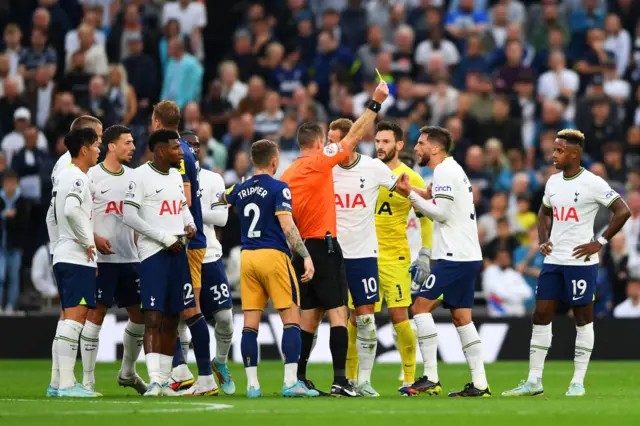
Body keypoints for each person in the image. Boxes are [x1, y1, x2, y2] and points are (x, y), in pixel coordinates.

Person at [279, 80, 389, 397]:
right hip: (325, 246)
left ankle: (299, 377)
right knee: (339, 312)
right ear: (318, 143)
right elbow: (354, 136)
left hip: (300, 250)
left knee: (310, 317)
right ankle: (341, 380)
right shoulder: (320, 160)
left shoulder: (287, 174)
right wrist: (376, 101)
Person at [503, 129, 631, 397]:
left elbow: (623, 211)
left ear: (574, 153)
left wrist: (601, 241)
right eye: (553, 150)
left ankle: (577, 381)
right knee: (540, 315)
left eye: (559, 151)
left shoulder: (593, 183)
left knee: (583, 319)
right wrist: (542, 239)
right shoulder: (553, 182)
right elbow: (543, 213)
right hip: (553, 260)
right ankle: (534, 380)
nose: (553, 155)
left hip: (581, 263)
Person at [395, 126, 489, 397]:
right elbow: (430, 197)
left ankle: (431, 378)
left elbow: (442, 213)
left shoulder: (445, 171)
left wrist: (408, 195)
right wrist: (408, 188)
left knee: (420, 307)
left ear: (435, 148)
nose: (416, 148)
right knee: (461, 317)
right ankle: (480, 384)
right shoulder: (449, 170)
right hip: (466, 255)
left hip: (455, 257)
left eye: (421, 143)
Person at [223, 139, 318, 398]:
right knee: (291, 319)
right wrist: (306, 255)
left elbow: (220, 199)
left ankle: (252, 385)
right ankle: (290, 383)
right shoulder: (279, 188)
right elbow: (288, 226)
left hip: (247, 258)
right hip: (273, 255)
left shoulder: (239, 188)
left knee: (250, 324)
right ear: (274, 161)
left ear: (253, 161)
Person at [122, 129, 197, 396]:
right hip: (154, 252)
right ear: (161, 150)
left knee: (173, 318)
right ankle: (154, 379)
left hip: (178, 251)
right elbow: (129, 215)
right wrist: (164, 237)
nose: (181, 152)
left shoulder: (176, 176)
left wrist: (189, 223)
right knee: (152, 316)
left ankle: (164, 382)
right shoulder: (140, 175)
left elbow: (181, 206)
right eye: (176, 147)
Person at [329, 118, 399, 397]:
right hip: (331, 253)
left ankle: (364, 381)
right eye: (329, 141)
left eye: (335, 141)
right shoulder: (325, 168)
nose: (331, 147)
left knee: (365, 318)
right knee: (318, 316)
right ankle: (298, 378)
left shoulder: (373, 168)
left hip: (363, 254)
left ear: (351, 140)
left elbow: (402, 189)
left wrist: (425, 197)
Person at [150, 101, 213, 395]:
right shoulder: (181, 150)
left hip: (187, 242)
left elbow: (185, 198)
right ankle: (180, 370)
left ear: (157, 121)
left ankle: (203, 376)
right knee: (176, 310)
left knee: (189, 309)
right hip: (187, 241)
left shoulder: (177, 153)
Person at [79, 125, 146, 395]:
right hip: (100, 261)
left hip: (130, 258)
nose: (132, 147)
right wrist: (93, 238)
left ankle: (127, 371)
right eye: (127, 142)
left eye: (132, 142)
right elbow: (78, 215)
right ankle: (87, 381)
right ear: (111, 146)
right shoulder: (91, 176)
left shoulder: (135, 177)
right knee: (95, 315)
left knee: (139, 317)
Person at [371, 121, 434, 389]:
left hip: (396, 257)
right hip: (364, 256)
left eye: (386, 142)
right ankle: (355, 380)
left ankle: (409, 378)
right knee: (358, 318)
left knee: (399, 316)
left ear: (398, 144)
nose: (380, 147)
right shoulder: (366, 171)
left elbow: (427, 219)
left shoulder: (413, 178)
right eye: (377, 142)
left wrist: (425, 253)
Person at [46, 115, 104, 398]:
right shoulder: (78, 176)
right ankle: (67, 384)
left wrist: (58, 243)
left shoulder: (64, 172)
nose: (99, 150)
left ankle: (58, 382)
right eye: (96, 144)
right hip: (75, 255)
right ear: (84, 147)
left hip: (63, 252)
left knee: (68, 319)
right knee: (75, 319)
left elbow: (51, 215)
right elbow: (70, 211)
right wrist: (87, 241)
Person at [182, 130, 235, 395]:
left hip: (210, 255)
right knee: (183, 317)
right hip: (179, 255)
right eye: (186, 145)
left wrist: (191, 213)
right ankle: (182, 375)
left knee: (225, 318)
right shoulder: (170, 178)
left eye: (196, 145)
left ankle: (221, 362)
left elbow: (223, 218)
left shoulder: (213, 178)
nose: (192, 149)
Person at [0, 169, 30, 315]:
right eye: (7, 183)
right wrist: (4, 215)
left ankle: (12, 306)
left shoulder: (21, 201)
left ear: (16, 184)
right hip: (1, 246)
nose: (10, 186)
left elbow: (24, 223)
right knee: (0, 276)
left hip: (15, 246)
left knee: (13, 276)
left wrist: (12, 218)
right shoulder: (0, 199)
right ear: (3, 184)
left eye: (12, 183)